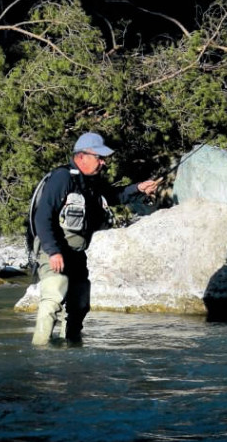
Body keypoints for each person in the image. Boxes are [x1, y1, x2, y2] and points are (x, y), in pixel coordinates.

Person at [28, 132, 161, 345]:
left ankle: (70, 348)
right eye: (99, 157)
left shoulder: (91, 182)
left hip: (77, 254)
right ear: (82, 157)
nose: (103, 162)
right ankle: (40, 352)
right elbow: (42, 217)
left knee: (80, 303)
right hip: (52, 249)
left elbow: (114, 196)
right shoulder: (62, 178)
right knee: (53, 297)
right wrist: (53, 251)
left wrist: (139, 188)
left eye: (103, 158)